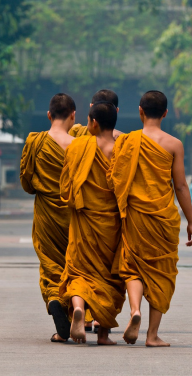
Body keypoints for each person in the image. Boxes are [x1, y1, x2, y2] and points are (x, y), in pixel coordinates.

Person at [107, 90, 192, 347]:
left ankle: (134, 310)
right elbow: (180, 186)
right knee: (161, 271)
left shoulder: (127, 141)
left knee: (132, 266)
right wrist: (191, 221)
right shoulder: (174, 145)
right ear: (166, 114)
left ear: (140, 111)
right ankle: (152, 335)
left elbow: (115, 178)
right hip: (162, 218)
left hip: (135, 214)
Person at [59, 101, 126, 345]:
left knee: (78, 270)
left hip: (84, 220)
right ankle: (104, 335)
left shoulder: (78, 146)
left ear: (94, 122)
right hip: (111, 224)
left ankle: (79, 307)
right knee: (109, 278)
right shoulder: (123, 149)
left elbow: (66, 185)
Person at [20, 93, 76, 343]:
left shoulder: (36, 141)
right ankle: (77, 311)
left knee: (51, 263)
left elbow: (26, 181)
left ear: (49, 115)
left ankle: (54, 298)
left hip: (46, 213)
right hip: (74, 216)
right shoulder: (79, 146)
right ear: (73, 116)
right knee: (74, 263)